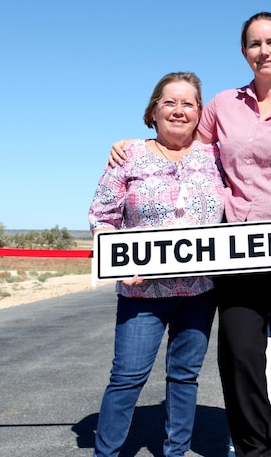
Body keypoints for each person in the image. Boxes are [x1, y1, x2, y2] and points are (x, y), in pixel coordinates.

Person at [108, 12, 271, 457]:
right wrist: (134, 145)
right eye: (253, 44)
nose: (263, 51)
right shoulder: (224, 104)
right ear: (244, 52)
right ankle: (253, 448)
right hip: (235, 250)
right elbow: (185, 142)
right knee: (239, 354)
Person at [89, 71, 225, 457]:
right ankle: (106, 453)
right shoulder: (128, 155)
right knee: (127, 378)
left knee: (184, 378)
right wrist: (118, 262)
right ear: (153, 110)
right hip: (141, 291)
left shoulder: (216, 157)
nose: (179, 110)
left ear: (200, 112)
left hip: (200, 291)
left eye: (189, 103)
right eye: (170, 102)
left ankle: (176, 451)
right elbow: (102, 217)